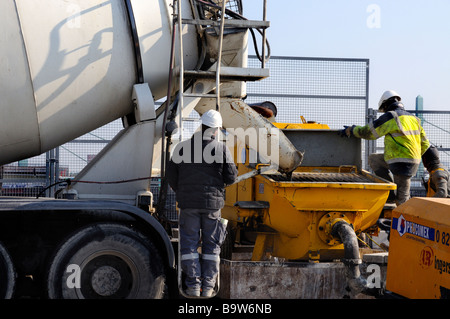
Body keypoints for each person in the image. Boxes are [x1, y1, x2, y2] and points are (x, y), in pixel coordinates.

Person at [166, 109, 238, 297]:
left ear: (202, 126)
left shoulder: (182, 147)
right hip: (212, 206)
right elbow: (231, 177)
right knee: (211, 247)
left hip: (188, 204)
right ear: (215, 130)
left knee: (188, 246)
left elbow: (171, 175)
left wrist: (181, 190)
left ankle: (192, 286)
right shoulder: (221, 149)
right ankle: (208, 288)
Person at [340, 90, 430, 205]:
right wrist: (413, 156)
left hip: (400, 162)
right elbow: (425, 144)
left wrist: (352, 130)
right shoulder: (415, 119)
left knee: (402, 200)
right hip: (410, 161)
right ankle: (390, 193)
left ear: (386, 104)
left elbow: (369, 132)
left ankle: (404, 218)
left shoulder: (391, 116)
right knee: (374, 159)